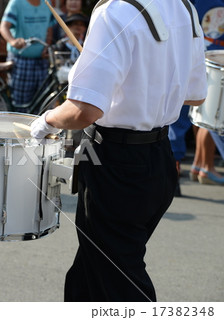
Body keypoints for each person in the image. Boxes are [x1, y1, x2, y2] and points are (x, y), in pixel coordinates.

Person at [31, 0, 207, 301]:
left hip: (115, 162)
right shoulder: (185, 8)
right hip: (160, 159)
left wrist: (44, 122)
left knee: (120, 281)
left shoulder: (114, 12)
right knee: (89, 274)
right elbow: (195, 95)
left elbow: (84, 111)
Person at [170, 0, 224, 192]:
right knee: (179, 116)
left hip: (217, 65)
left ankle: (199, 165)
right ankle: (174, 169)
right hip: (195, 60)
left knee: (208, 119)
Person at [0, 0, 55, 110]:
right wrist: (13, 41)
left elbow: (50, 27)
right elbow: (3, 27)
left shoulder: (47, 3)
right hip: (21, 60)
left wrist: (47, 45)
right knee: (21, 106)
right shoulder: (16, 3)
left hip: (41, 61)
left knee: (43, 105)